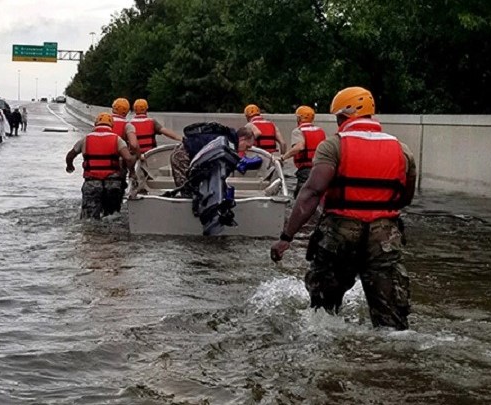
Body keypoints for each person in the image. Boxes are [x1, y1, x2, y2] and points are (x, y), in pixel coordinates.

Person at [270, 86, 417, 331]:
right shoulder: (402, 150)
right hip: (385, 236)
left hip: (340, 232)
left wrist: (287, 237)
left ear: (343, 116)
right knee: (391, 321)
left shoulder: (333, 146)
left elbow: (312, 193)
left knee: (323, 313)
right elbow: (405, 198)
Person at [65, 112, 135, 219]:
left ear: (95, 124)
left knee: (89, 219)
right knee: (112, 217)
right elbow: (129, 158)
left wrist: (70, 166)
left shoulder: (85, 139)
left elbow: (70, 156)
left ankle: (91, 234)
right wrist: (132, 172)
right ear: (111, 125)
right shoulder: (117, 139)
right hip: (113, 183)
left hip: (92, 183)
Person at [170, 124, 256, 197]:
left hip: (187, 153)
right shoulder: (227, 143)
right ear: (242, 139)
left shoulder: (227, 139)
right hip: (182, 155)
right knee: (188, 192)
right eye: (247, 147)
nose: (245, 151)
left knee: (196, 192)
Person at [279, 106, 327, 198]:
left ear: (299, 118)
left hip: (306, 169)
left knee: (300, 197)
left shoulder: (298, 131)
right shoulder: (320, 131)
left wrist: (283, 157)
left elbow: (299, 147)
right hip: (320, 168)